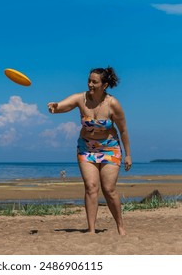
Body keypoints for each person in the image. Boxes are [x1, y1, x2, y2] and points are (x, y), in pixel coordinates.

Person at [47, 66, 132, 235]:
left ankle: (120, 226)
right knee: (91, 187)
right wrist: (55, 106)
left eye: (95, 82)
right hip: (86, 148)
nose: (90, 84)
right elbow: (63, 105)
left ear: (104, 85)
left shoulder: (113, 104)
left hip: (110, 148)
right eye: (89, 81)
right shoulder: (81, 99)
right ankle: (91, 229)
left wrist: (128, 155)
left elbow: (123, 130)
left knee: (109, 189)